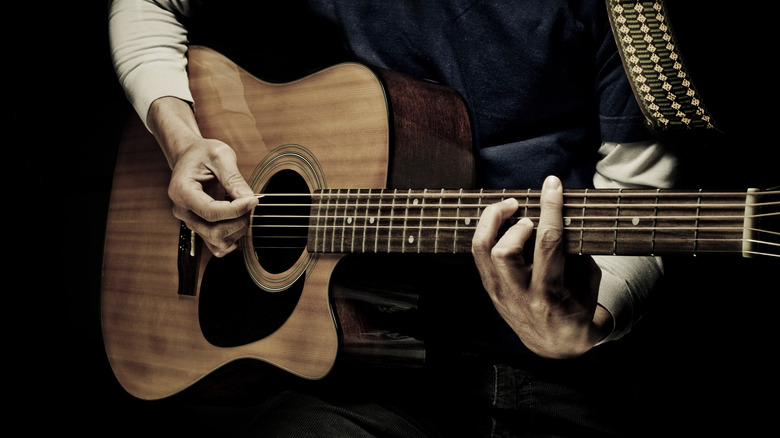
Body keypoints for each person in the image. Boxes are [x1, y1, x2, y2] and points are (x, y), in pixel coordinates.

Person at [108, 1, 679, 436]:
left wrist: (587, 322)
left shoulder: (630, 14)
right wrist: (179, 139)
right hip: (368, 374)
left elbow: (643, 199)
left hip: (560, 385)